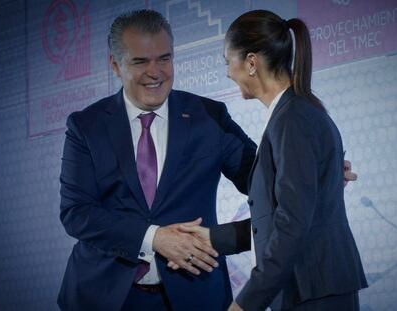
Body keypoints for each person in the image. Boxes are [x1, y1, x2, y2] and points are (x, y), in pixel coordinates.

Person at [58, 9, 358, 311]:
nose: (155, 71)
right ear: (115, 64)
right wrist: (154, 238)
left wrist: (317, 171)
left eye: (164, 58)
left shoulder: (208, 117)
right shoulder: (86, 127)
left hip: (195, 294)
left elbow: (263, 179)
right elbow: (76, 212)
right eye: (140, 61)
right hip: (105, 295)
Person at [177, 10, 367, 311]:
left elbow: (291, 226)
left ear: (251, 62)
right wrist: (212, 237)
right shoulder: (295, 113)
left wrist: (245, 304)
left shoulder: (292, 120)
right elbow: (283, 217)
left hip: (312, 293)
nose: (228, 72)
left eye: (229, 62)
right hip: (312, 289)